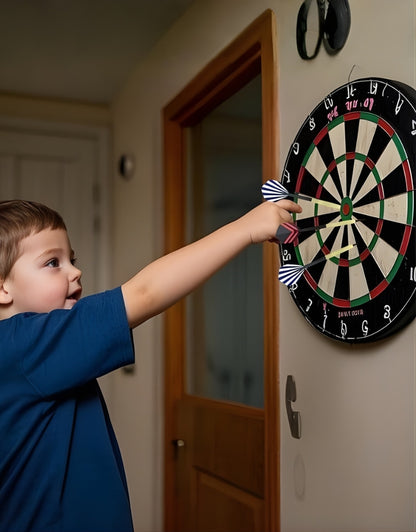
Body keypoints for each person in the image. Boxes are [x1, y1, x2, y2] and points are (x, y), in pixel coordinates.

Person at [0, 197, 301, 532]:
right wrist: (246, 229)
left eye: (72, 259)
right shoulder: (21, 345)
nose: (75, 270)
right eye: (53, 263)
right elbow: (145, 293)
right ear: (2, 287)